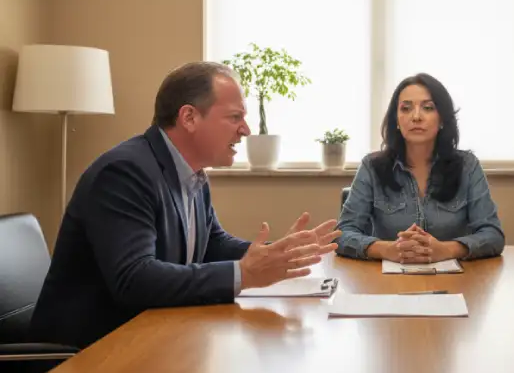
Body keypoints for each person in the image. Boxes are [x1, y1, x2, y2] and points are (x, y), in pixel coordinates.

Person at [29, 62, 341, 349]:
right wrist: (243, 274)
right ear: (189, 117)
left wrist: (277, 255)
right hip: (86, 358)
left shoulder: (191, 172)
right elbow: (134, 279)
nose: (246, 129)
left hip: (151, 340)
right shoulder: (124, 172)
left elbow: (212, 244)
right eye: (235, 117)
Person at [335, 72, 505, 263]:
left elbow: (493, 235)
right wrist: (387, 249)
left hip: (454, 277)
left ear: (442, 119)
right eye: (406, 108)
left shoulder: (468, 166)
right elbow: (342, 234)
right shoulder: (372, 167)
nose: (416, 117)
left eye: (428, 108)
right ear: (396, 120)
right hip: (387, 277)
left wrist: (447, 250)